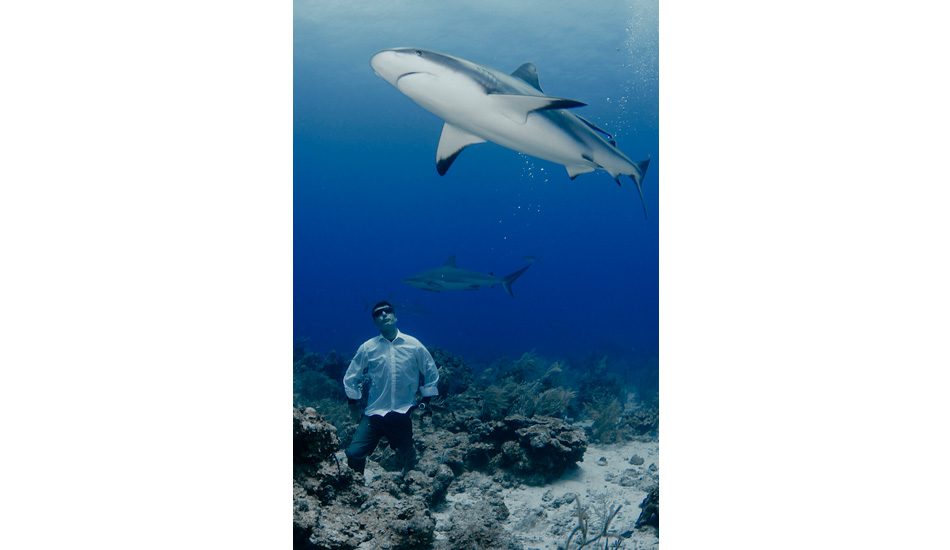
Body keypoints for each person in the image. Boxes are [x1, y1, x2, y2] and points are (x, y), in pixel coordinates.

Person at [342, 301, 440, 475]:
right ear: (375, 322)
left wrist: (424, 403)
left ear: (395, 316)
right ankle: (357, 489)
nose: (384, 315)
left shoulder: (414, 345)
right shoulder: (367, 348)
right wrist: (352, 405)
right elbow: (351, 376)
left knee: (407, 459)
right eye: (378, 314)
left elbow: (431, 372)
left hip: (404, 411)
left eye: (388, 311)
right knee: (354, 453)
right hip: (374, 413)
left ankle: (410, 487)